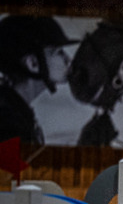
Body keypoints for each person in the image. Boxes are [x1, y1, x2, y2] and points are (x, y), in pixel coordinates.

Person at [0, 15, 77, 144]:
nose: (68, 60)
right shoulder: (9, 122)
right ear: (33, 64)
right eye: (58, 52)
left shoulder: (14, 111)